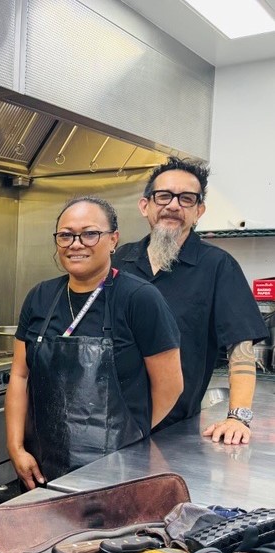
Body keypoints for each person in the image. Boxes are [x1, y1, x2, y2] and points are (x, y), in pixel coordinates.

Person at [6, 196, 184, 489]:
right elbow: (19, 375)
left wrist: (129, 439)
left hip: (116, 472)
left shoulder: (139, 298)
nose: (76, 244)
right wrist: (16, 447)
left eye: (89, 234)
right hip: (42, 467)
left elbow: (170, 386)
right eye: (66, 235)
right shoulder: (40, 297)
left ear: (113, 239)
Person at [113, 157, 268, 445]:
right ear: (145, 205)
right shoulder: (120, 260)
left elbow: (241, 347)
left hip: (171, 431)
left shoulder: (218, 266)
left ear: (199, 212)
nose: (173, 205)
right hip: (109, 420)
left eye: (186, 199)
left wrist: (238, 417)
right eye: (164, 196)